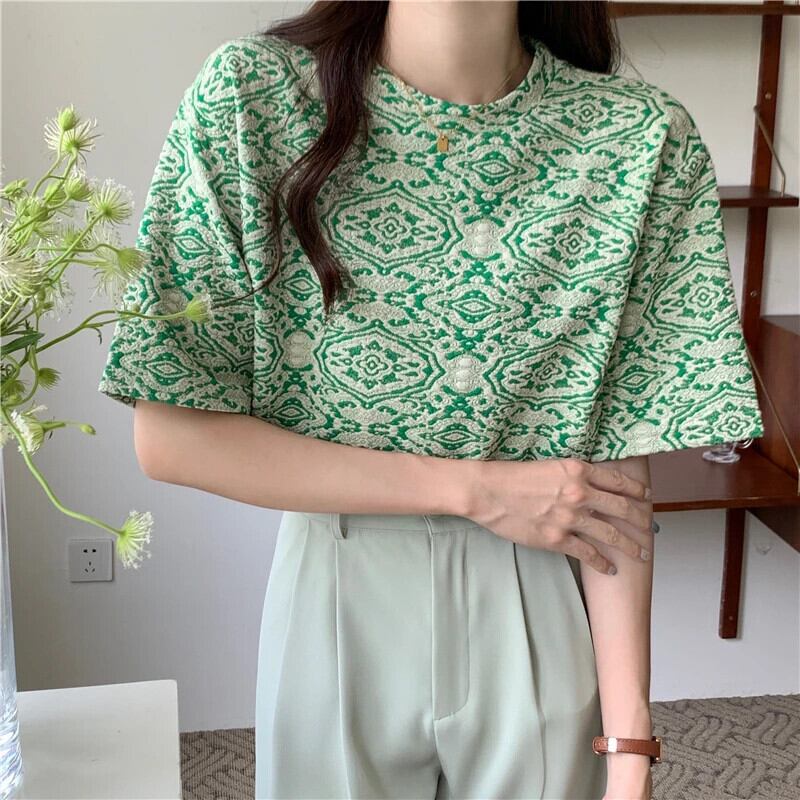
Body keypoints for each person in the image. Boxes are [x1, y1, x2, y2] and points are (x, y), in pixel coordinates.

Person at [97, 2, 765, 799]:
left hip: (539, 590)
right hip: (337, 587)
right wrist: (475, 490)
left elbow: (617, 467)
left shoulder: (639, 138)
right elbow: (171, 438)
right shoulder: (251, 99)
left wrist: (630, 746)